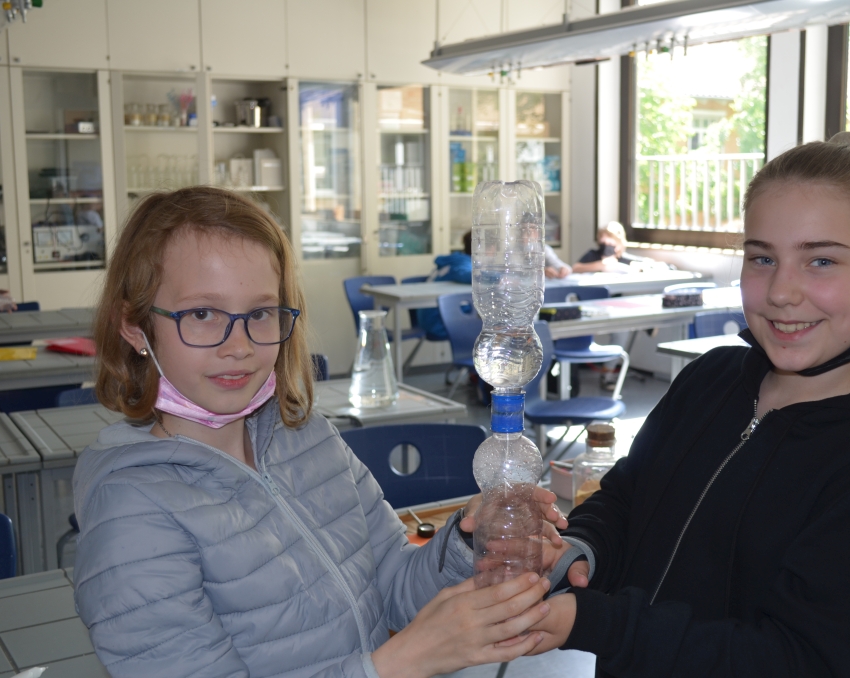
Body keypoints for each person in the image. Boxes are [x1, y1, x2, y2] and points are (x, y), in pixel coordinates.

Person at [72, 186, 569, 678]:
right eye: (202, 314)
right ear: (135, 326)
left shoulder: (309, 438)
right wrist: (400, 662)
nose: (239, 346)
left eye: (260, 313)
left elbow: (394, 587)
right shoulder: (131, 511)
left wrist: (467, 539)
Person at [530, 133, 850, 676]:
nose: (781, 291)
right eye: (762, 257)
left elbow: (797, 658)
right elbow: (626, 497)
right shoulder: (710, 379)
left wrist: (599, 622)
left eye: (821, 261)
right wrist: (579, 549)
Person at [416, 231, 473, 341]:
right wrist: (500, 277)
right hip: (438, 322)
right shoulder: (462, 263)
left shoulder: (455, 260)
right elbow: (469, 275)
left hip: (429, 318)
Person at [572, 222, 656, 274]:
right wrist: (601, 265)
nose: (606, 247)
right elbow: (575, 268)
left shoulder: (623, 258)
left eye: (610, 244)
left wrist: (639, 267)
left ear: (619, 244)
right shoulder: (593, 255)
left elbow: (649, 263)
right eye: (603, 243)